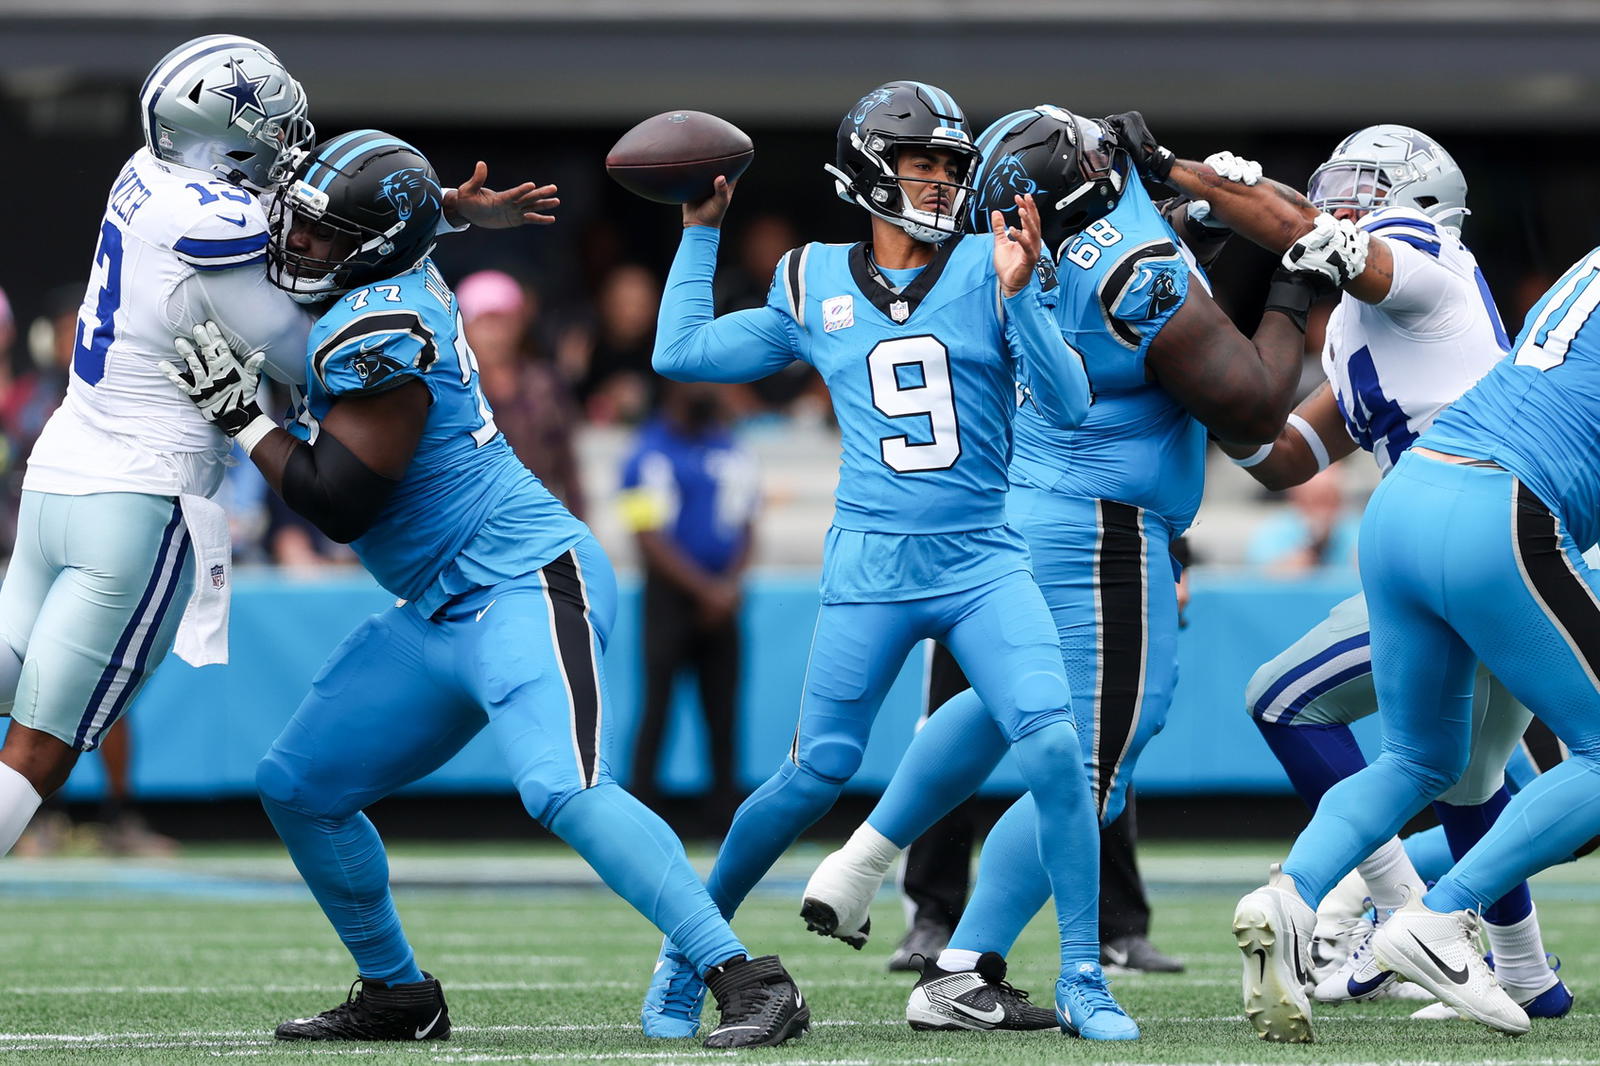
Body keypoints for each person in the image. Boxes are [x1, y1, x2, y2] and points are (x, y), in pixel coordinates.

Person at [162, 130, 806, 1048]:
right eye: (300, 224)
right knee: (299, 784)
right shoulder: (390, 270)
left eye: (323, 233)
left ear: (376, 247)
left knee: (564, 789)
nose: (296, 245)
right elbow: (402, 239)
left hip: (522, 579)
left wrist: (240, 418)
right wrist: (445, 216)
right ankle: (397, 992)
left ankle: (745, 976)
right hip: (436, 605)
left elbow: (336, 502)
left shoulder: (380, 334)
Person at [800, 104, 1319, 1032]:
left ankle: (868, 853)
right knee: (1097, 759)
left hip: (1026, 499)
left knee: (1015, 705)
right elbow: (1252, 405)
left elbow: (1192, 232)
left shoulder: (1016, 250)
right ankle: (967, 964)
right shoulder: (1134, 268)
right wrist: (1292, 285)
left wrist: (1199, 191)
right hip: (1102, 526)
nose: (1115, 162)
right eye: (1100, 159)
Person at [639, 81, 1134, 1042]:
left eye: (953, 166)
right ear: (871, 171)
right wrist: (701, 229)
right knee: (812, 772)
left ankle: (1083, 976)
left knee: (1053, 744)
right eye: (926, 164)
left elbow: (1072, 406)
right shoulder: (807, 277)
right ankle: (687, 956)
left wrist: (1023, 294)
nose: (945, 182)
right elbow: (680, 352)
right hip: (870, 563)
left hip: (984, 555)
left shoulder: (996, 264)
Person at [0, 33, 556, 863]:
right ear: (227, 138)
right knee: (43, 747)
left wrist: (438, 207)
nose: (289, 150)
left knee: (11, 676)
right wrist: (427, 227)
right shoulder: (223, 226)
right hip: (143, 499)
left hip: (61, 475)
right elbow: (320, 348)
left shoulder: (142, 174)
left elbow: (310, 212)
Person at [1134, 125, 1568, 1037]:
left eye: (1361, 187)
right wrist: (1205, 384)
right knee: (1463, 770)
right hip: (1463, 533)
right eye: (1331, 186)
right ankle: (1518, 968)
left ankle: (1369, 917)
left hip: (1479, 527)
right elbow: (1288, 457)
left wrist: (1186, 176)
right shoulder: (1355, 332)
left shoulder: (1427, 258)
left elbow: (1326, 241)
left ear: (1416, 200)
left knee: (1293, 700)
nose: (1339, 199)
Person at [1222, 234, 1600, 1040]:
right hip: (1499, 507)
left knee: (1419, 759)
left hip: (1405, 502)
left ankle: (1292, 896)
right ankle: (1438, 918)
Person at [887, 643, 1184, 976]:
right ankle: (932, 917)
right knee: (949, 730)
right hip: (977, 591)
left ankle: (1119, 928)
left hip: (1077, 592)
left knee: (1098, 734)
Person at [619, 380, 758, 822]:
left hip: (723, 594)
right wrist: (707, 590)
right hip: (669, 598)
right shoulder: (645, 452)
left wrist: (729, 585)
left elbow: (748, 522)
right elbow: (646, 535)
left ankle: (724, 816)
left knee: (723, 712)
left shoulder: (730, 447)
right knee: (657, 707)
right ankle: (640, 810)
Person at [457, 270, 587, 517]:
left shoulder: (545, 383)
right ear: (463, 327)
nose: (494, 333)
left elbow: (568, 464)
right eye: (483, 321)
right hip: (474, 523)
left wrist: (579, 525)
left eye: (502, 321)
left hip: (539, 517)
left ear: (519, 324)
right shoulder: (453, 388)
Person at [1244, 467, 1360, 573]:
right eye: (1315, 500)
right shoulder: (1274, 530)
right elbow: (1265, 576)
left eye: (1330, 500)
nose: (1323, 510)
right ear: (1296, 499)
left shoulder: (1355, 528)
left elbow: (1364, 569)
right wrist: (1312, 546)